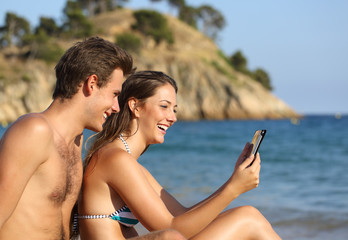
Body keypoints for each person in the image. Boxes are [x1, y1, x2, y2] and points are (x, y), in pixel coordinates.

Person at [0, 37, 185, 240]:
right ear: (92, 84)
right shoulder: (33, 130)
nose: (116, 106)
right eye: (114, 94)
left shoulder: (74, 142)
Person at [78, 71, 282, 240]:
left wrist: (233, 181)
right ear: (135, 107)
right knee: (249, 218)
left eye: (174, 109)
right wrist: (233, 189)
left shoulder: (126, 161)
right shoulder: (116, 159)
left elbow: (180, 215)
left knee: (247, 216)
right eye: (164, 106)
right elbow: (172, 228)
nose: (173, 117)